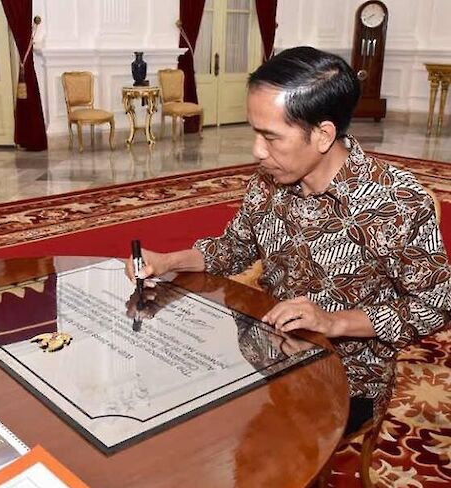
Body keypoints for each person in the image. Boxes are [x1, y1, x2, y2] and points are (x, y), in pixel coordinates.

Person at [126, 46, 451, 434]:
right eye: (254, 132)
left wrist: (333, 322)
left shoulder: (394, 202)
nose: (256, 151)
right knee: (165, 404)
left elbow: (436, 304)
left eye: (271, 137)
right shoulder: (269, 181)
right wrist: (166, 262)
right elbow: (232, 248)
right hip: (261, 350)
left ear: (323, 135)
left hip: (345, 379)